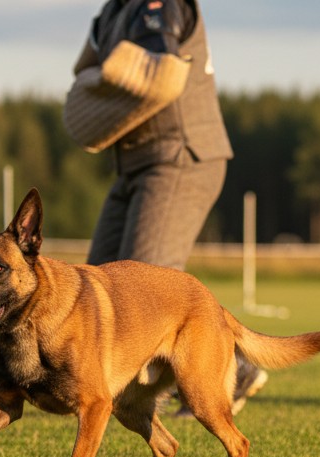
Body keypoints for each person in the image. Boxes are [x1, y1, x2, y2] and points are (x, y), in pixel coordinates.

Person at [63, 0, 266, 415]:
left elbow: (163, 67)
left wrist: (108, 79)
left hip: (180, 155)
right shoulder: (111, 13)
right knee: (93, 289)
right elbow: (82, 72)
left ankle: (232, 370)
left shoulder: (164, 4)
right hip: (133, 162)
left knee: (141, 291)